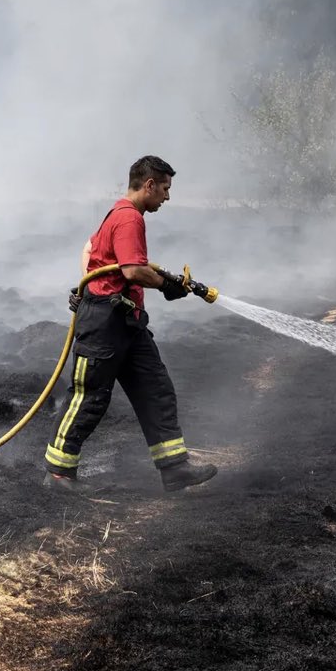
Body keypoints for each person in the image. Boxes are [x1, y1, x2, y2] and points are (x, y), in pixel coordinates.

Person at [44, 155, 218, 493]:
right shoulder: (128, 219)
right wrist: (167, 285)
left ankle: (175, 469)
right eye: (165, 189)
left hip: (128, 322)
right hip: (105, 324)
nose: (167, 197)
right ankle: (58, 474)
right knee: (89, 397)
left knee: (156, 389)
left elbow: (91, 250)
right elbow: (132, 271)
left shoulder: (121, 215)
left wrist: (94, 284)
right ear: (149, 185)